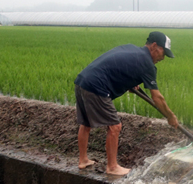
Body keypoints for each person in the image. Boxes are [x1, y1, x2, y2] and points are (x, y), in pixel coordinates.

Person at [74, 31, 179, 175]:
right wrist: (170, 116)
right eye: (163, 52)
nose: (163, 57)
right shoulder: (147, 64)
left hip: (83, 81)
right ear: (154, 46)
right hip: (96, 86)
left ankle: (83, 160)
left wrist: (131, 81)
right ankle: (112, 167)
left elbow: (119, 66)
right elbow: (157, 98)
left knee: (85, 124)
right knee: (115, 126)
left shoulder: (132, 49)